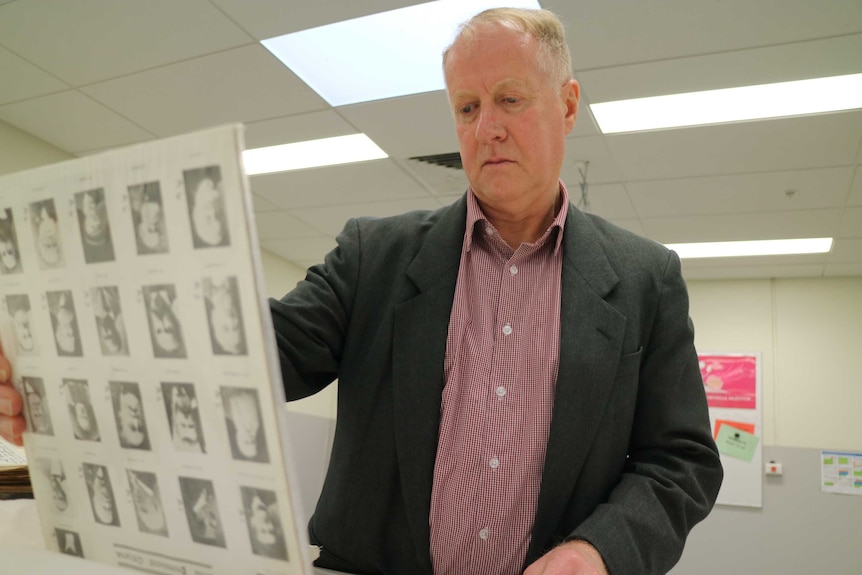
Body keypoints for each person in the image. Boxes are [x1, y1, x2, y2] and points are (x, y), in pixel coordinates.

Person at [0, 7, 722, 574]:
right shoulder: (376, 255)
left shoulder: (644, 279)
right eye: (467, 108)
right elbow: (257, 354)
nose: (487, 128)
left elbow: (680, 459)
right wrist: (68, 375)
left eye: (509, 99)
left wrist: (601, 551)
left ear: (567, 105)